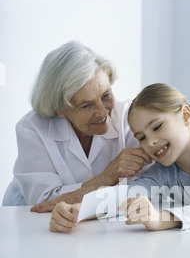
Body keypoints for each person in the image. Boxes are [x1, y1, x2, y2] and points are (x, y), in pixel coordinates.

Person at [49, 83, 190, 244]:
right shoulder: (164, 172)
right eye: (142, 137)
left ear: (186, 116)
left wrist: (159, 219)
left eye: (156, 127)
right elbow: (124, 195)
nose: (151, 141)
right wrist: (76, 211)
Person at [2, 41, 152, 211]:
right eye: (86, 105)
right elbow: (43, 203)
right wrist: (105, 178)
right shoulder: (31, 129)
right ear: (59, 108)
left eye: (106, 95)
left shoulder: (130, 116)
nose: (102, 113)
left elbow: (151, 182)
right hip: (24, 221)